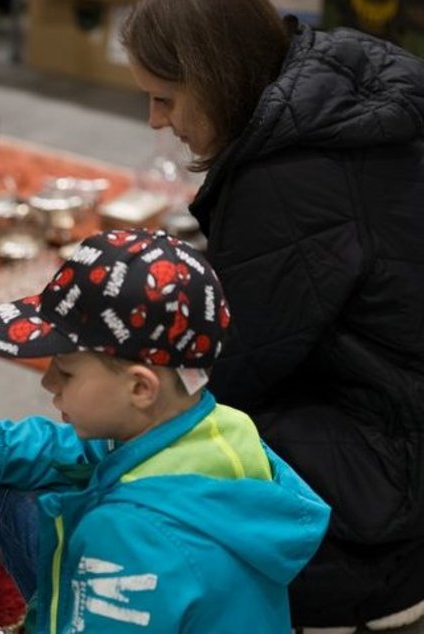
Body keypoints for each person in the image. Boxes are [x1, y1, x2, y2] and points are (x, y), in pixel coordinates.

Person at [120, 0, 424, 630]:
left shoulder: (287, 178)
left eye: (166, 100)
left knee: (147, 448)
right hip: (396, 397)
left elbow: (234, 365)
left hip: (386, 471)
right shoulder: (335, 80)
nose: (154, 121)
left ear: (212, 78)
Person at [0, 229, 330, 633]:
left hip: (133, 565)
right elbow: (79, 448)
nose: (49, 383)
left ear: (141, 387)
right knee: (14, 490)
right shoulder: (221, 429)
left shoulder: (124, 541)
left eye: (66, 371)